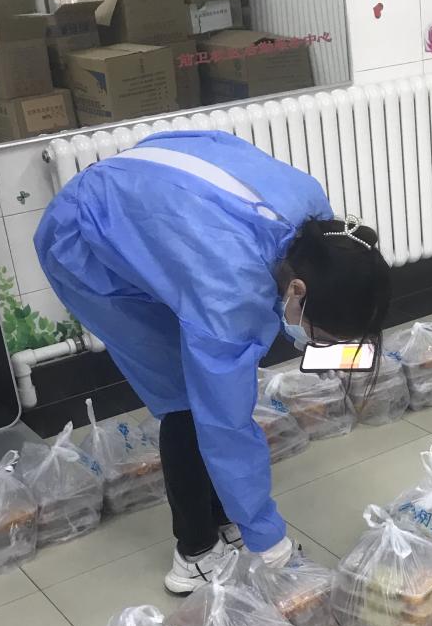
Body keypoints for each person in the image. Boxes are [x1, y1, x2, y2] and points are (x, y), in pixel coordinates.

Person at [34, 129, 392, 593]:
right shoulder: (228, 292)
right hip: (86, 241)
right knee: (187, 402)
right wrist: (269, 539)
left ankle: (224, 517)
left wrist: (320, 338)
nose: (314, 343)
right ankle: (195, 552)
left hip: (154, 195)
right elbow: (226, 424)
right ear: (299, 290)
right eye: (319, 335)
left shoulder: (317, 228)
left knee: (207, 384)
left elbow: (266, 287)